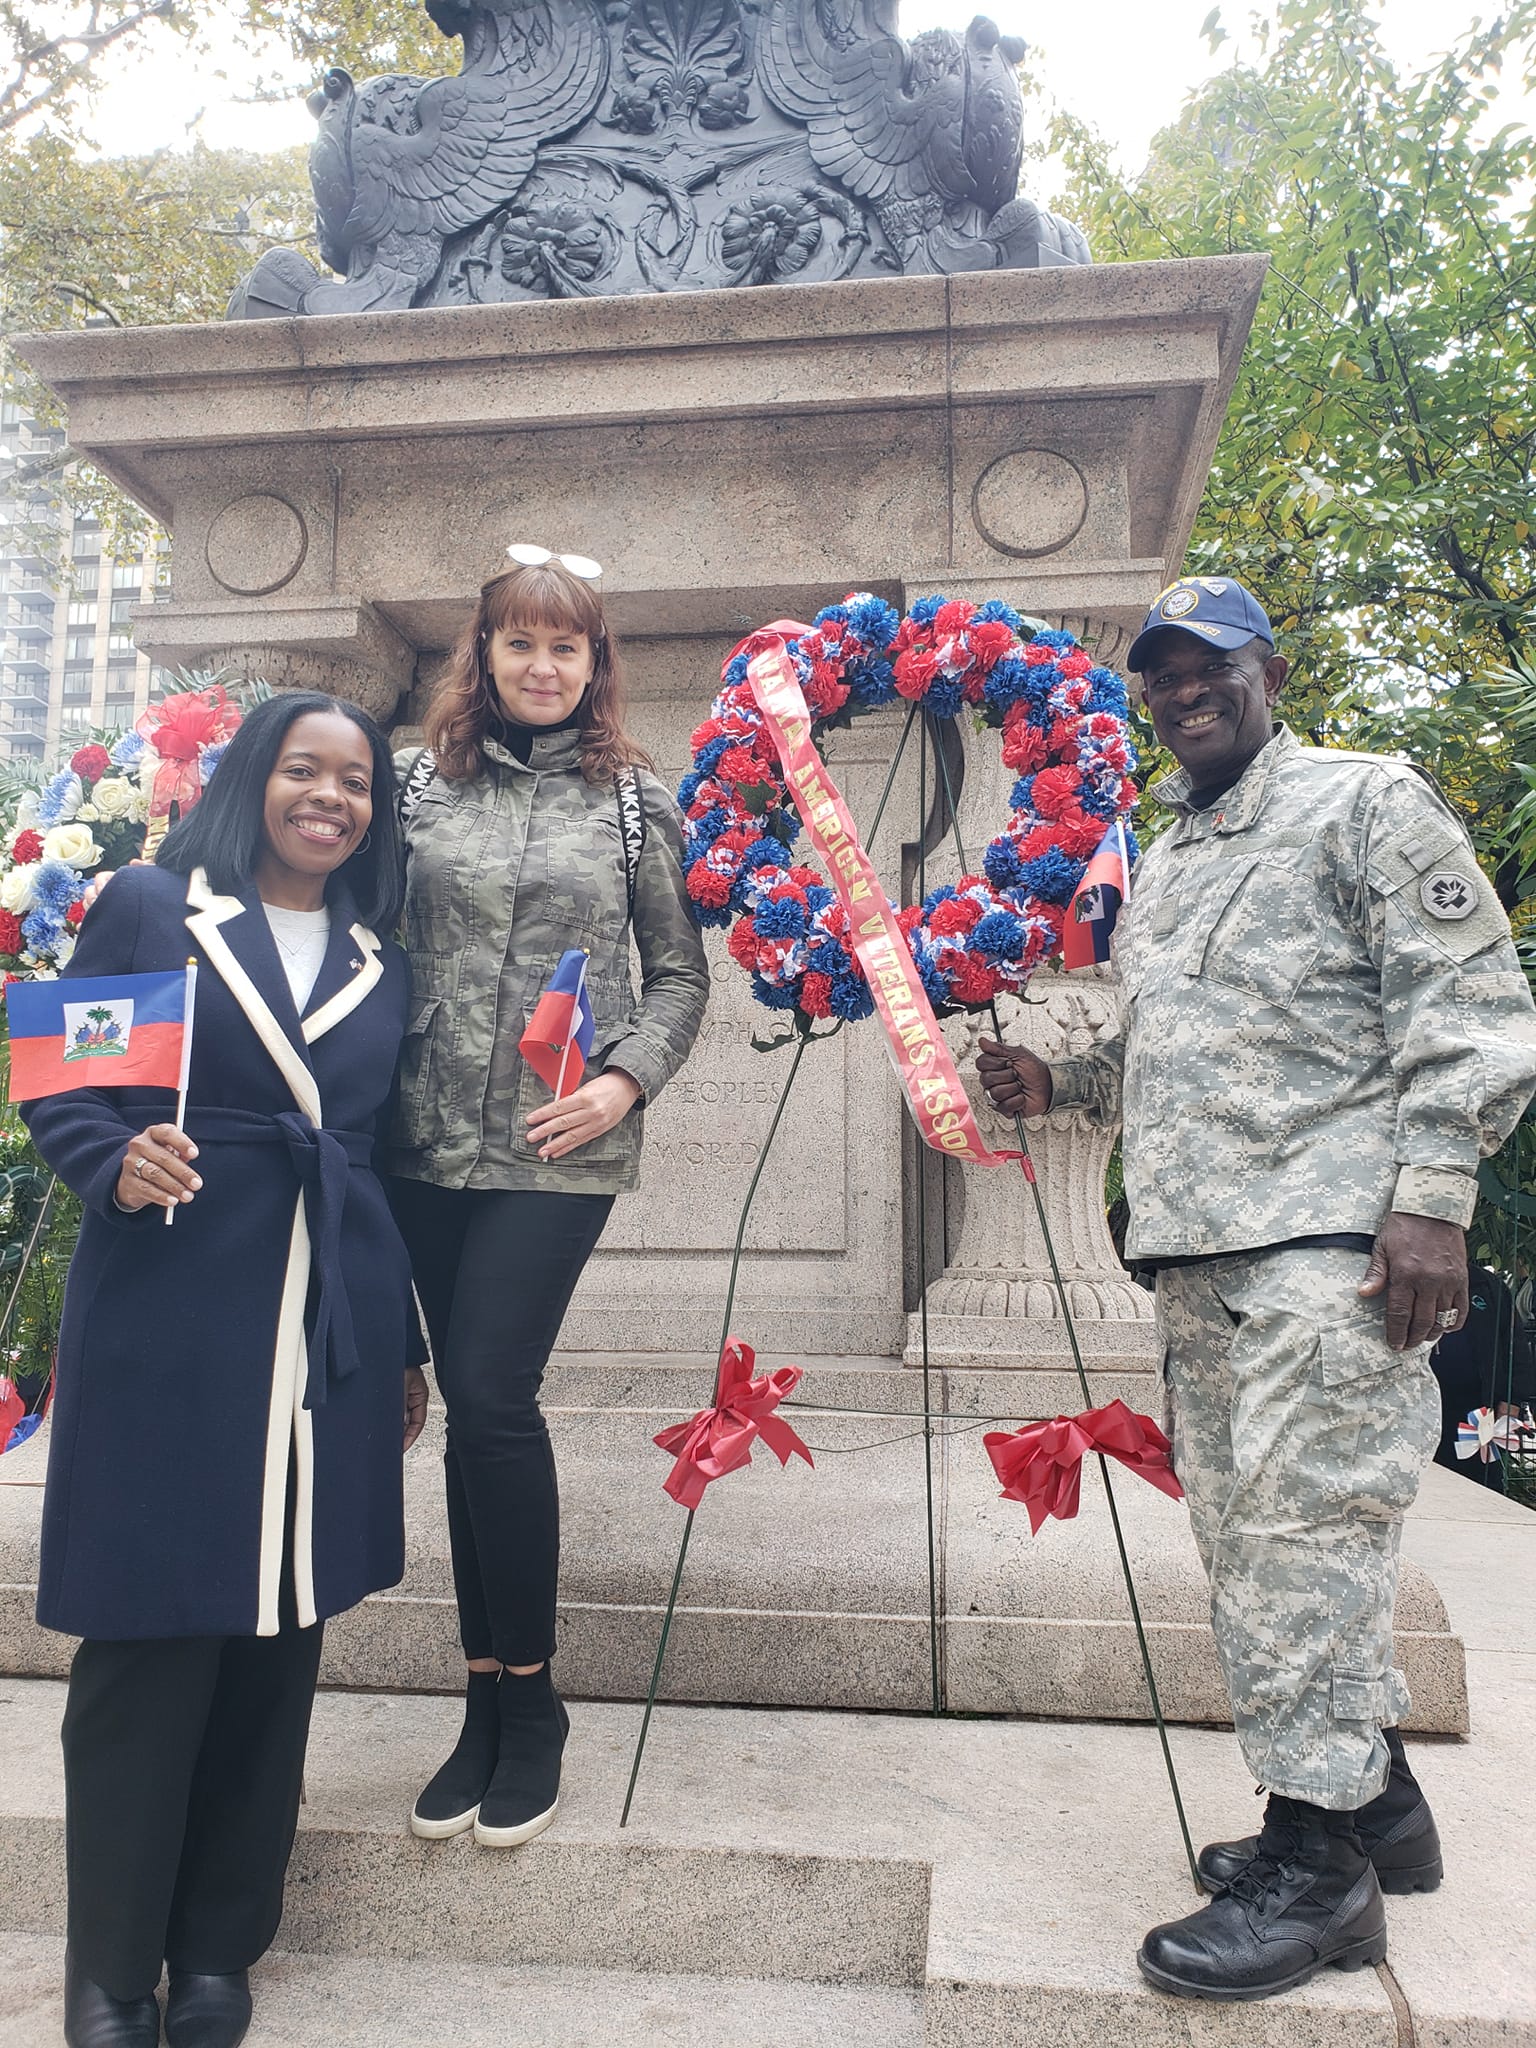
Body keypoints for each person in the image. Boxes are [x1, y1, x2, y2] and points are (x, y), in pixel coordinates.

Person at [978, 574, 1536, 2002]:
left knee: (1305, 1541)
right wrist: (1062, 1079)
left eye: (1209, 666)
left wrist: (1431, 1200)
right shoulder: (1170, 857)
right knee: (1252, 1549)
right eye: (1160, 674)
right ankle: (1376, 1802)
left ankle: (1322, 1874)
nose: (1183, 692)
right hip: (1199, 1257)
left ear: (1266, 671)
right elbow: (1179, 1044)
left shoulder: (1365, 800)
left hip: (1334, 1253)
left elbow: (1468, 1008)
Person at [24, 693, 427, 2048]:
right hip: (176, 1304)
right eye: (304, 769)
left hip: (329, 1321)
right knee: (148, 1640)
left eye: (356, 781)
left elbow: (380, 1156)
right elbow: (69, 1083)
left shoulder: (380, 954)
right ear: (252, 774)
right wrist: (112, 1161)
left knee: (278, 1642)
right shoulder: (154, 903)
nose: (330, 797)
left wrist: (408, 1343)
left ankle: (215, 1955)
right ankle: (107, 1970)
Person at [389, 550, 708, 1850]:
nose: (541, 665)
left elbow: (680, 979)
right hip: (413, 1143)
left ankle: (538, 1700)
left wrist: (623, 1086)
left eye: (565, 647)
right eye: (518, 642)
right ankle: (482, 1697)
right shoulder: (412, 788)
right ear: (484, 653)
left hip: (554, 1145)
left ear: (595, 666)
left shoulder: (633, 802)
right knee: (467, 1415)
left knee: (494, 1392)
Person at [1430, 1259, 1536, 1485]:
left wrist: (1511, 1402)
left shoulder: (1487, 1285)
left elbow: (1515, 1348)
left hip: (1480, 1411)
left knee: (1481, 1482)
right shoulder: (1407, 1275)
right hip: (1424, 1404)